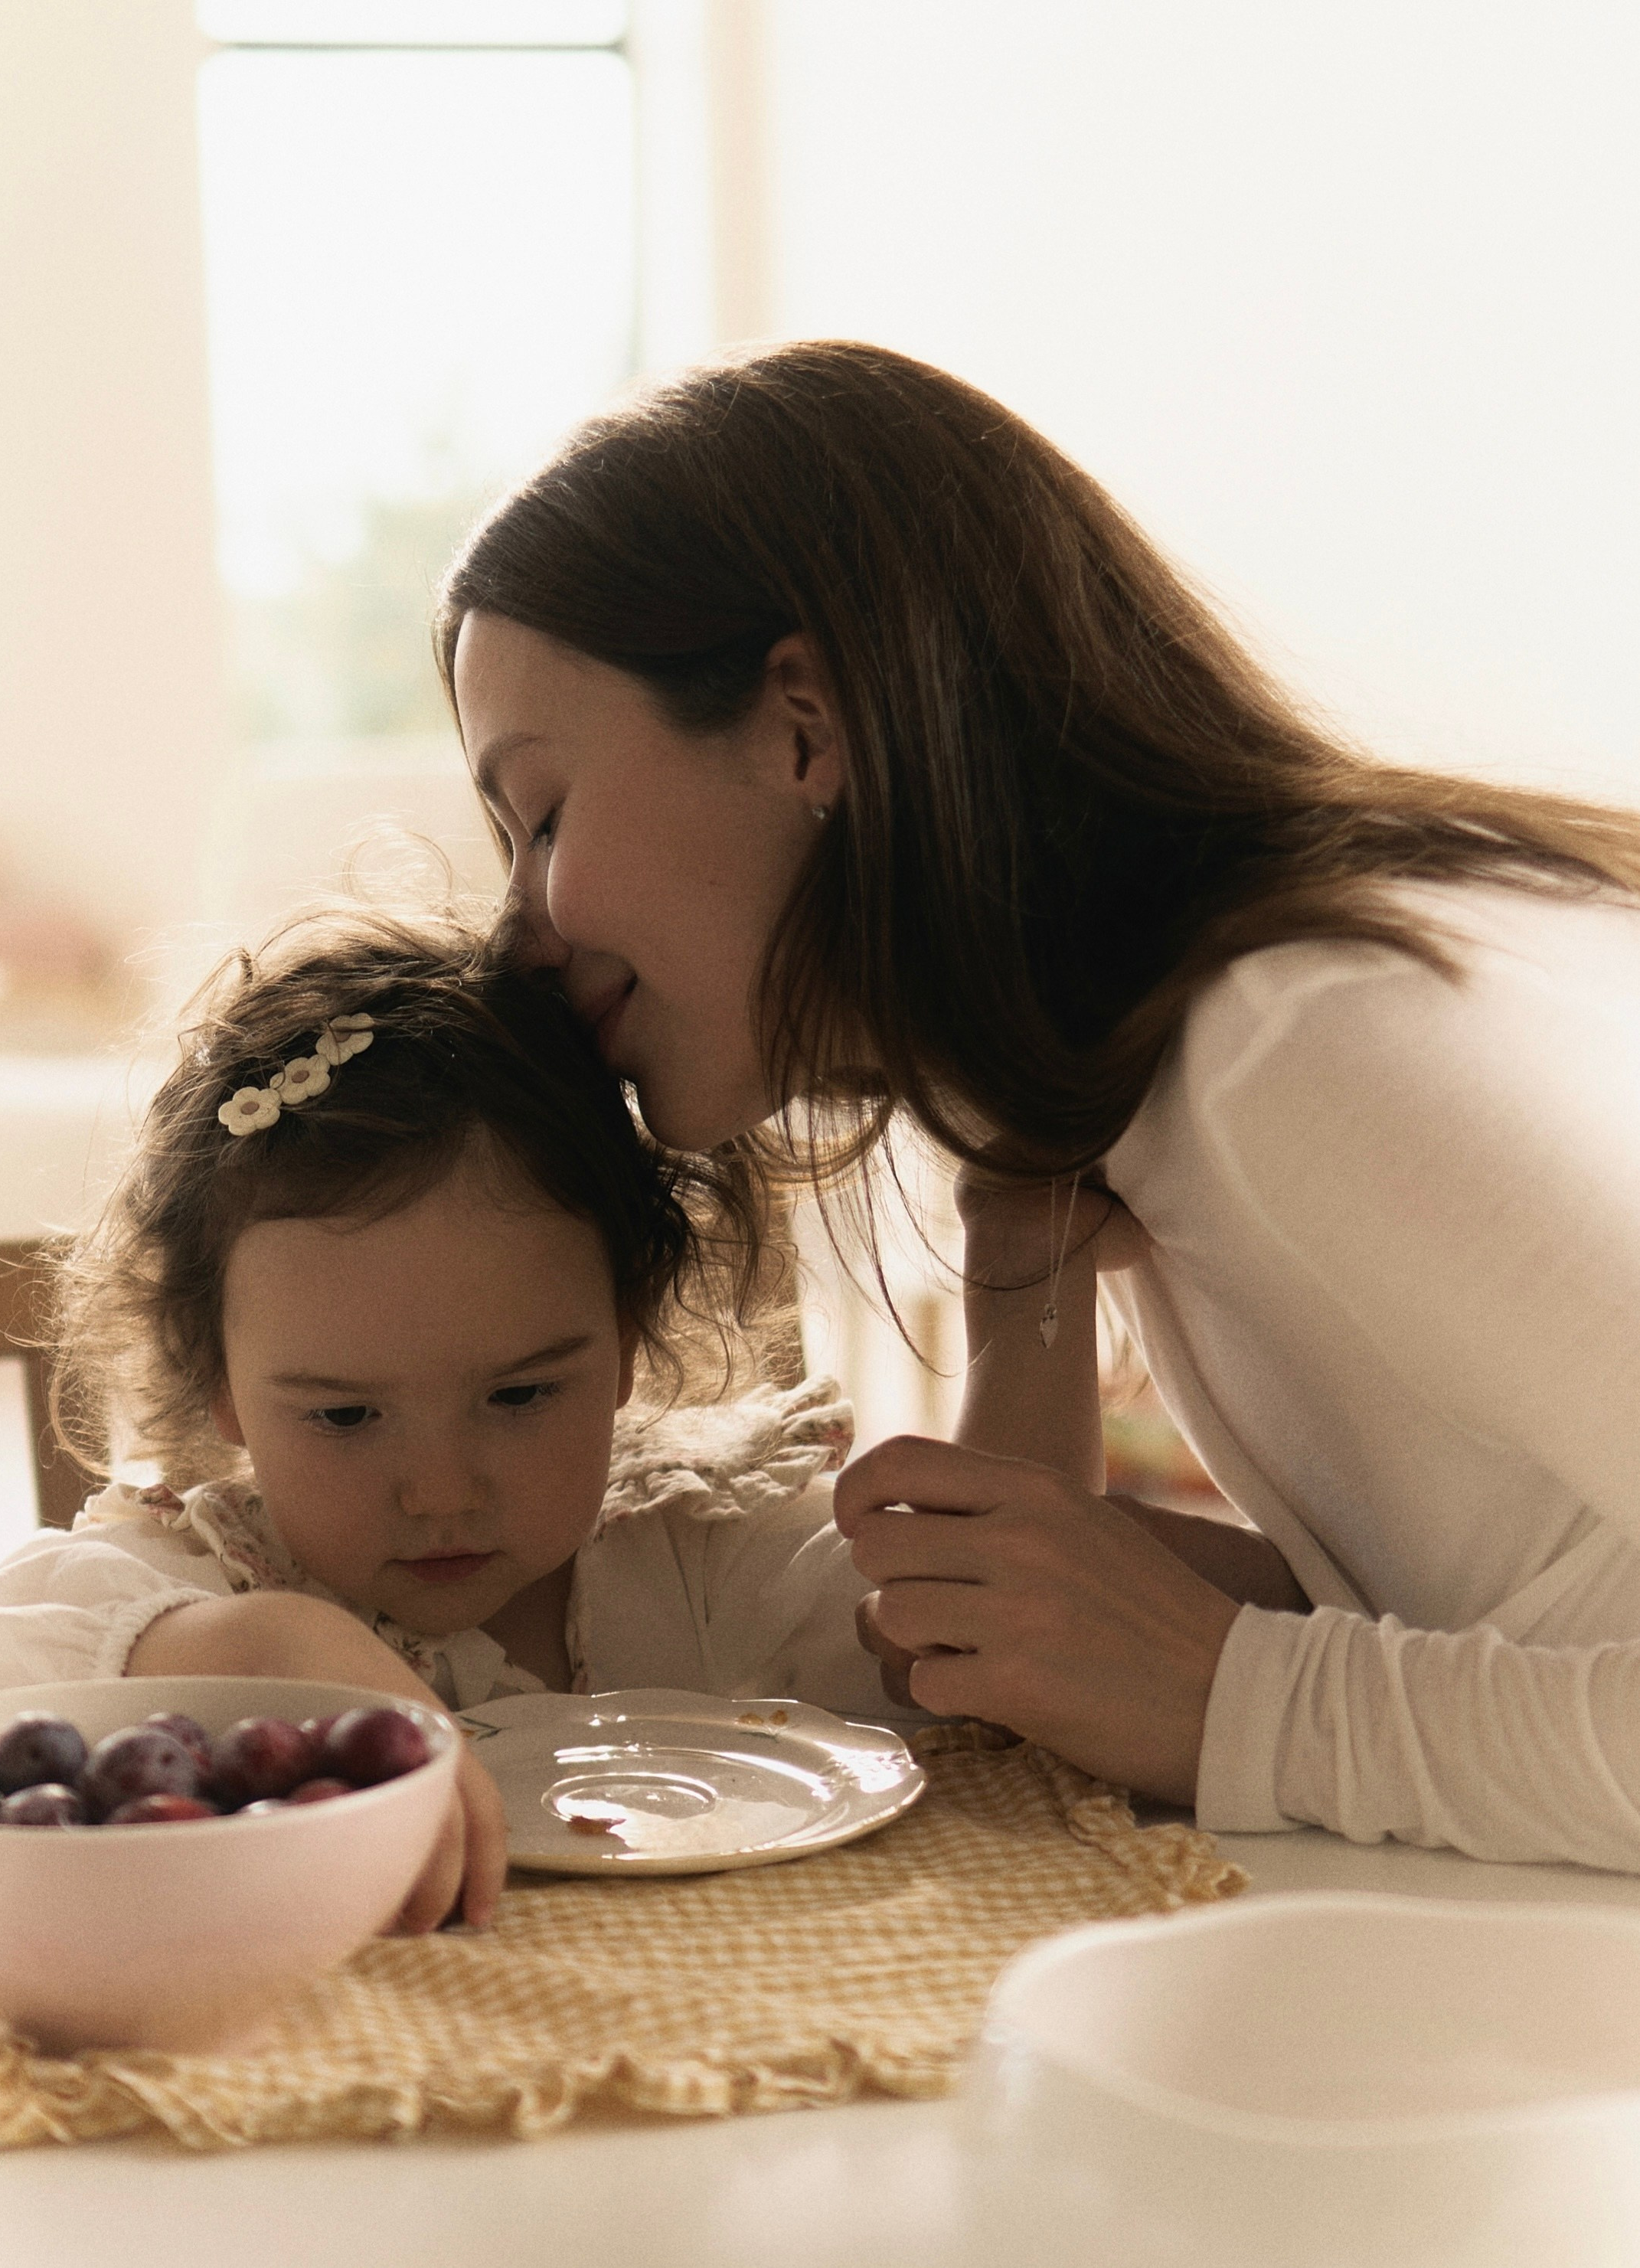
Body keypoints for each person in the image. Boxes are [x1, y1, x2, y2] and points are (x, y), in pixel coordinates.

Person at [436, 337, 1640, 1870]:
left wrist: (1240, 1698)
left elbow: (1303, 1709)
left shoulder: (1288, 1045)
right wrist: (1239, 1604)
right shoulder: (1140, 1101)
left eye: (541, 815)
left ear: (805, 722)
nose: (518, 937)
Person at [0, 909, 908, 1925]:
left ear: (627, 1336)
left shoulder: (696, 1551)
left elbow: (932, 1662)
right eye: (346, 1414)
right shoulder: (225, 1579)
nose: (441, 1492)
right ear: (218, 1381)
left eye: (519, 1395)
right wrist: (262, 1646)